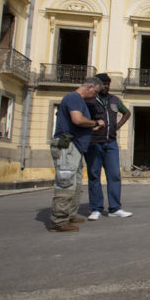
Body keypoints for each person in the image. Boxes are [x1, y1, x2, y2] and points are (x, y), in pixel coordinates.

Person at [49, 77, 105, 232]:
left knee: (76, 182)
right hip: (68, 147)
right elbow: (78, 120)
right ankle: (59, 220)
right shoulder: (73, 98)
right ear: (89, 86)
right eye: (95, 92)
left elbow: (79, 125)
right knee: (66, 182)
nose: (95, 96)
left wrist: (92, 129)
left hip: (76, 147)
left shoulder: (78, 100)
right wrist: (95, 123)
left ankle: (69, 214)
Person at [85, 73, 133, 220]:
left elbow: (127, 113)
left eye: (108, 83)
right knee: (94, 175)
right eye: (103, 83)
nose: (106, 86)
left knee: (114, 175)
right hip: (94, 142)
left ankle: (115, 208)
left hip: (111, 142)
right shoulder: (90, 100)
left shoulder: (114, 100)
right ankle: (96, 208)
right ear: (96, 85)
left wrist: (115, 127)